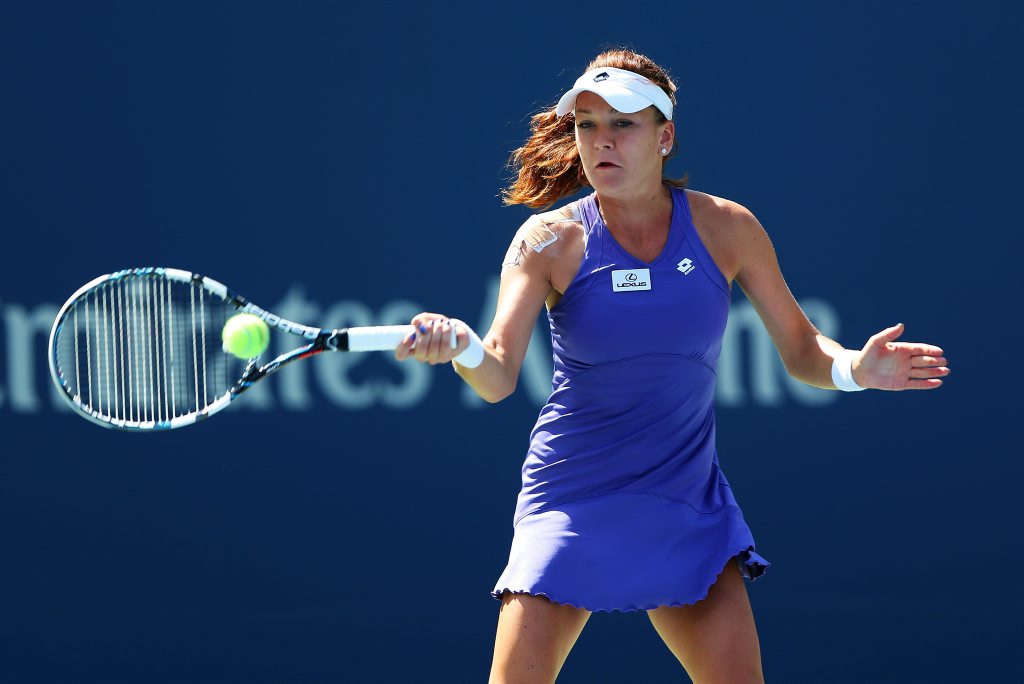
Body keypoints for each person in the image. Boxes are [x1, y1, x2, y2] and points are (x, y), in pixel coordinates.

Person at [395, 48, 950, 684]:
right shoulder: (547, 240)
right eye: (586, 126)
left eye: (622, 124)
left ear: (665, 136)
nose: (600, 142)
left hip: (685, 501)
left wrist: (855, 368)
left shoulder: (727, 228)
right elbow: (495, 378)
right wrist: (463, 345)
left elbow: (803, 351)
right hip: (570, 499)